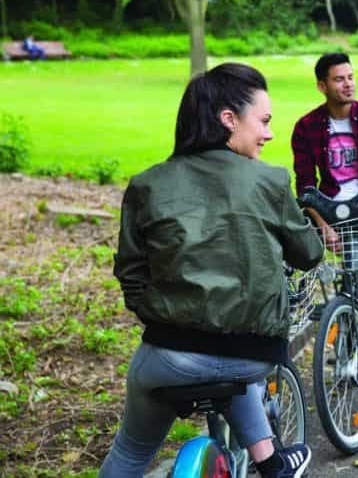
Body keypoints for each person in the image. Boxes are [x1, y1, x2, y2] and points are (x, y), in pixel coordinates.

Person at [100, 63, 323, 478]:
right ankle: (271, 462)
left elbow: (131, 270)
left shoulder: (148, 184)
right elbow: (309, 254)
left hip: (171, 352)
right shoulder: (270, 181)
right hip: (252, 356)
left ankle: (269, 461)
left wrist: (157, 313)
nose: (269, 133)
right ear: (228, 119)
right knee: (233, 363)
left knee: (131, 452)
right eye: (265, 121)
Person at [291, 53, 358, 392]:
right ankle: (337, 320)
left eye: (350, 77)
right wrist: (323, 226)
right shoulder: (307, 127)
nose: (348, 84)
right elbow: (305, 184)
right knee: (312, 275)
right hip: (326, 210)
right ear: (322, 86)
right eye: (339, 79)